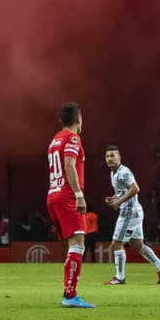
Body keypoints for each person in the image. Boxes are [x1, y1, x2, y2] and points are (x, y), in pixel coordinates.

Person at [48, 101, 94, 308]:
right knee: (78, 245)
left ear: (61, 120)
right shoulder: (73, 138)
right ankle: (70, 295)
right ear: (79, 119)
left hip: (53, 194)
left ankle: (68, 290)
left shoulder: (55, 139)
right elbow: (69, 164)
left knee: (71, 245)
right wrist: (79, 195)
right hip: (67, 196)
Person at [102, 146, 160, 285]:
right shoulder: (113, 173)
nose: (109, 159)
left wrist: (118, 202)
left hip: (129, 213)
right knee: (138, 244)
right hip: (135, 211)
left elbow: (135, 189)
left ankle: (120, 278)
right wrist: (114, 198)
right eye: (107, 156)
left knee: (116, 244)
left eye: (112, 156)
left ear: (119, 157)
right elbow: (124, 191)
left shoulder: (124, 172)